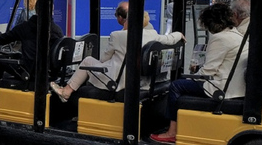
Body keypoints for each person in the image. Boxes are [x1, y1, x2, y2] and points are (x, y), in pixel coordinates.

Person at [150, 2, 248, 144]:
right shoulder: (237, 34)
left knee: (176, 85)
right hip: (235, 85)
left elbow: (208, 71)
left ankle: (172, 131)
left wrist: (191, 75)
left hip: (221, 88)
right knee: (183, 82)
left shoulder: (220, 38)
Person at [50, 12, 184, 102]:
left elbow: (103, 59)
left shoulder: (118, 35)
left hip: (118, 82)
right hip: (141, 82)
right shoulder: (153, 34)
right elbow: (170, 38)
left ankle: (66, 91)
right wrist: (179, 35)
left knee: (88, 61)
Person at [0, 13, 63, 105]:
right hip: (47, 72)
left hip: (30, 71)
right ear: (51, 11)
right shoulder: (57, 30)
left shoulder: (25, 27)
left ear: (36, 10)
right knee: (16, 55)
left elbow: (3, 39)